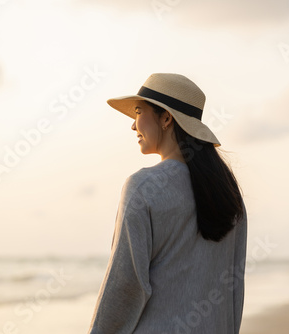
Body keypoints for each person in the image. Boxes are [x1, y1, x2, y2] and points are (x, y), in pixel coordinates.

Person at [87, 73, 247, 334]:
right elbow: (234, 288)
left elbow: (125, 286)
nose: (132, 125)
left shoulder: (143, 187)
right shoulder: (228, 193)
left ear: (166, 118)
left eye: (138, 111)